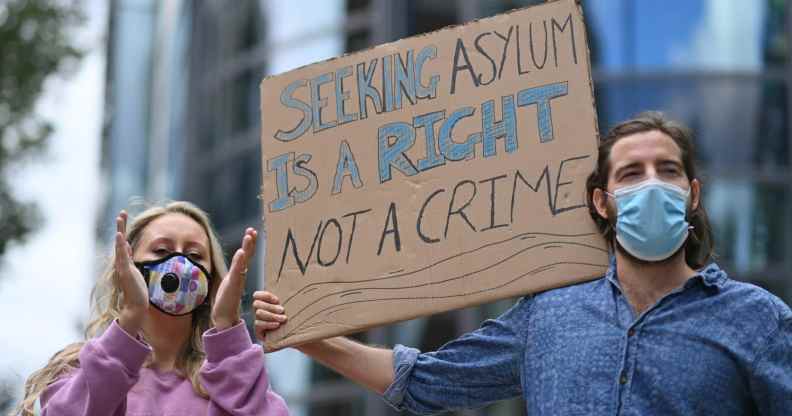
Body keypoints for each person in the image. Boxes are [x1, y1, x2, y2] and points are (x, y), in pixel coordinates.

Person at [253, 112, 792, 415]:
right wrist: (307, 336)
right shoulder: (548, 315)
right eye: (631, 174)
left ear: (691, 194)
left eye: (667, 170)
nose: (651, 184)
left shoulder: (758, 321)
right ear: (601, 202)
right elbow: (424, 381)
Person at [15, 201, 289, 416]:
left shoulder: (229, 376)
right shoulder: (80, 368)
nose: (180, 263)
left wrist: (228, 329)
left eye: (194, 255)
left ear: (212, 277)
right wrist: (131, 317)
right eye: (161, 251)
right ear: (129, 265)